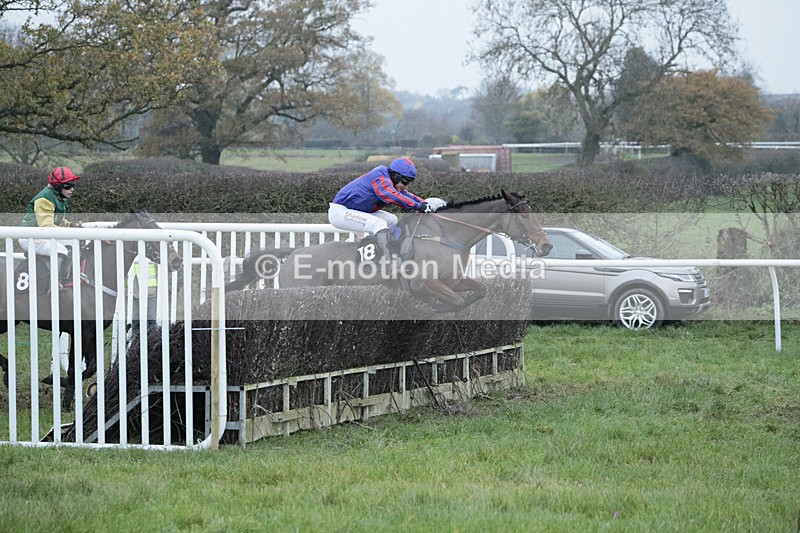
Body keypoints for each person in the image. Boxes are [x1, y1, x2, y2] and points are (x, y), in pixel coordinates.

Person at [328, 157, 435, 260]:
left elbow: (408, 195)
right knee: (379, 224)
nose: (406, 186)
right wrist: (418, 206)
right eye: (405, 182)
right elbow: (392, 196)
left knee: (392, 220)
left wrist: (425, 204)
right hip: (340, 212)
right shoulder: (380, 176)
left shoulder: (391, 181)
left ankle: (392, 253)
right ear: (396, 176)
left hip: (354, 211)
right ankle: (386, 261)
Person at [19, 166, 82, 294]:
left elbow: (56, 220)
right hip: (30, 237)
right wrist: (70, 232)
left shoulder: (60, 197)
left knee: (74, 243)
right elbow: (47, 227)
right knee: (61, 250)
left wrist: (70, 225)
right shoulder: (44, 199)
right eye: (68, 186)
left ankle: (68, 279)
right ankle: (53, 286)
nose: (72, 189)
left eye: (73, 185)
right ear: (58, 186)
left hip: (42, 235)